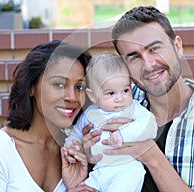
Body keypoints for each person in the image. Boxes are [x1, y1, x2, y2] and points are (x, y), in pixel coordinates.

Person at [83, 6, 194, 192]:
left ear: (177, 46)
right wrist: (89, 154)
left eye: (154, 49)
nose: (149, 65)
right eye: (134, 57)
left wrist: (151, 156)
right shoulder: (113, 102)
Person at [0, 40, 96, 192]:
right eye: (59, 85)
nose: (72, 97)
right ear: (31, 87)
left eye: (79, 87)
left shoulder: (75, 152)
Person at [65, 52, 158, 192]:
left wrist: (123, 134)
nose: (120, 98)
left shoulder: (134, 108)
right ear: (92, 95)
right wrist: (71, 149)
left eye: (126, 90)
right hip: (99, 171)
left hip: (126, 170)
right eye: (111, 93)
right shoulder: (90, 114)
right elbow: (76, 133)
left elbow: (150, 125)